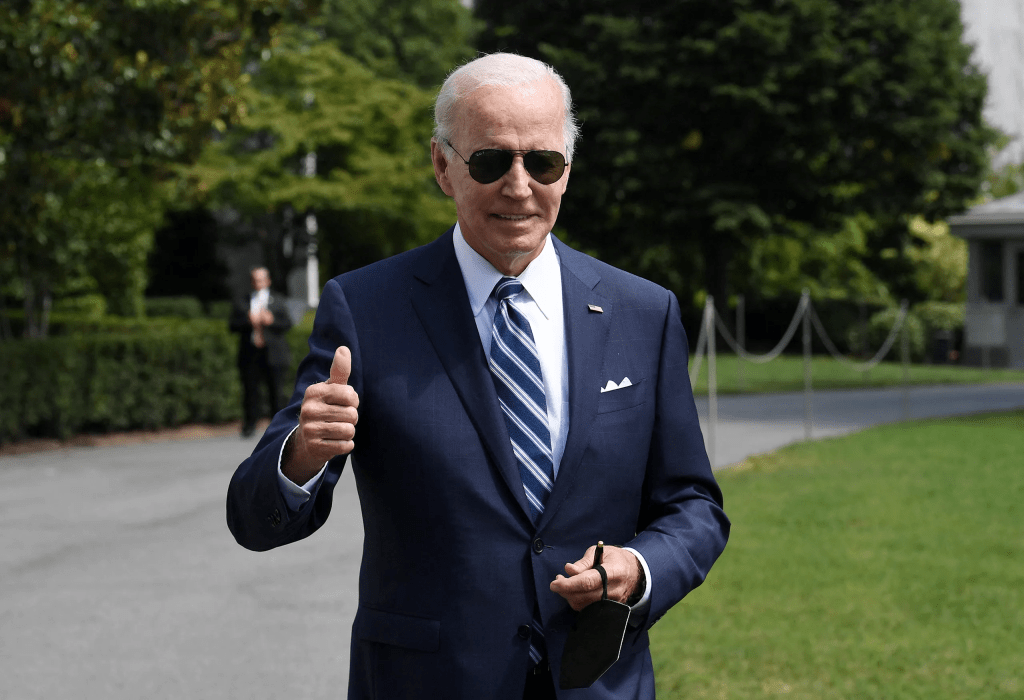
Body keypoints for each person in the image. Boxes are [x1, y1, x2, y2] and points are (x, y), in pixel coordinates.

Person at [226, 53, 728, 699]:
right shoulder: (365, 308)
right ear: (443, 165)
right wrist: (302, 454)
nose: (518, 186)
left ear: (568, 170)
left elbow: (693, 506)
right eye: (491, 161)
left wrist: (641, 565)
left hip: (598, 681)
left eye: (542, 162)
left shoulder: (644, 312)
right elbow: (256, 519)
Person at [229, 266, 293, 437]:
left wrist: (271, 321)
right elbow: (232, 325)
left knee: (276, 391)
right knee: (250, 391)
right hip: (251, 353)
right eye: (255, 279)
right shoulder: (243, 301)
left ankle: (278, 426)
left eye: (261, 279)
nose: (258, 283)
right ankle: (249, 424)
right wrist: (247, 320)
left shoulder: (278, 300)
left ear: (268, 281)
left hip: (273, 354)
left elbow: (287, 323)